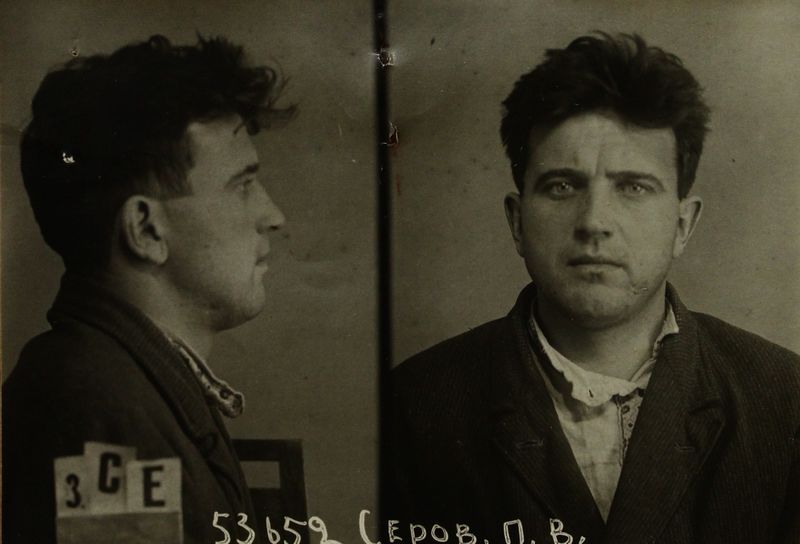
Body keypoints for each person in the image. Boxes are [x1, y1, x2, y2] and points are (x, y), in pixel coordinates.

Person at [388, 33, 800, 543]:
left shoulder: (786, 401)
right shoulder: (416, 406)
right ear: (517, 221)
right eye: (562, 186)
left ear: (682, 225)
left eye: (633, 187)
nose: (594, 222)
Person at [3, 35, 293, 544]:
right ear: (146, 230)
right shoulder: (96, 411)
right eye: (242, 185)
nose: (274, 215)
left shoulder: (116, 386)